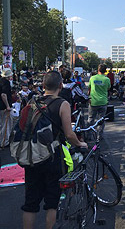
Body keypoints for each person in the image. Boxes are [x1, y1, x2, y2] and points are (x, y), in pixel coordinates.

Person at [22, 71, 87, 229]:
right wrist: (80, 144)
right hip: (52, 157)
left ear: (43, 86)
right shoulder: (63, 104)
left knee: (31, 202)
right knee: (52, 201)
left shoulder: (32, 101)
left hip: (32, 155)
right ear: (60, 85)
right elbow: (69, 134)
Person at [88, 64, 110, 139]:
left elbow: (89, 88)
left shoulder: (92, 78)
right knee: (101, 120)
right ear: (105, 71)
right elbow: (108, 88)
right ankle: (99, 135)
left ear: (98, 70)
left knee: (91, 119)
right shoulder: (107, 79)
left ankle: (89, 135)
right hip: (103, 102)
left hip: (93, 101)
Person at [0, 69, 13, 147]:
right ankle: (4, 142)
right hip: (4, 106)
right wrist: (7, 106)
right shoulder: (6, 83)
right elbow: (3, 95)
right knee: (5, 124)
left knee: (1, 124)